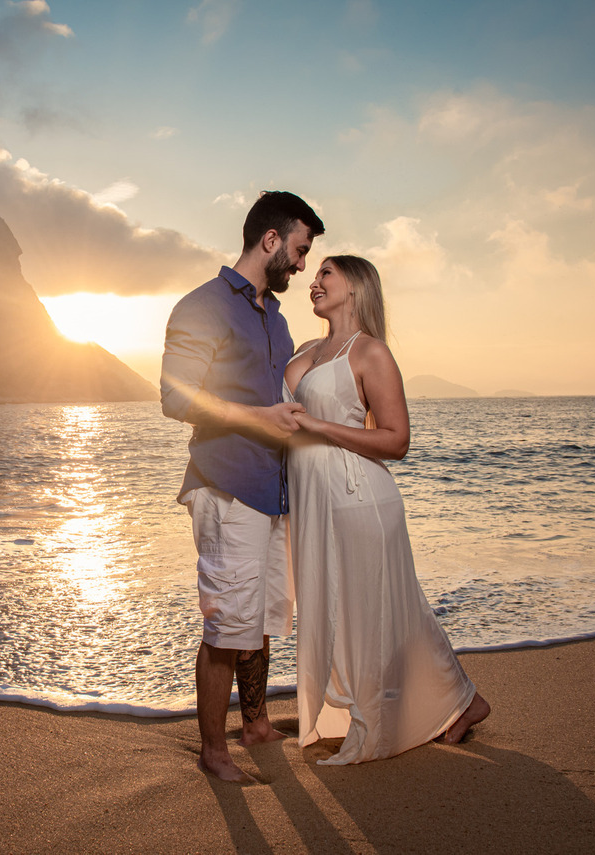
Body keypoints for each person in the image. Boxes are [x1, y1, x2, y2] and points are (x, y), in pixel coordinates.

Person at [283, 255, 490, 764]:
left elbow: (397, 440)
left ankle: (455, 702)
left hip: (359, 499)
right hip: (312, 502)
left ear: (355, 287)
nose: (314, 282)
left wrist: (318, 427)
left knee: (385, 611)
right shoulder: (307, 349)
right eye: (314, 274)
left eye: (325, 273)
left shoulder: (370, 352)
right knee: (336, 608)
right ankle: (355, 707)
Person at [161, 191, 325, 783]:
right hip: (226, 483)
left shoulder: (276, 319)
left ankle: (254, 723)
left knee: (258, 619)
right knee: (228, 625)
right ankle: (213, 752)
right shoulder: (201, 305)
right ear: (272, 240)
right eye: (301, 251)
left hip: (273, 488)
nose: (303, 266)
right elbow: (175, 397)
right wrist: (257, 420)